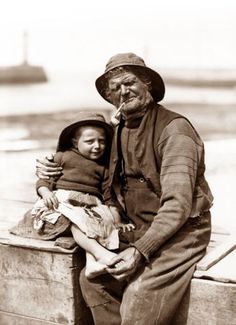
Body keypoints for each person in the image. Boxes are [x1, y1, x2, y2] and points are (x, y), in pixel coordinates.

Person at [36, 53, 213, 325]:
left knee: (138, 305)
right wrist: (48, 169)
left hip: (182, 234)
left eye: (129, 83)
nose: (123, 91)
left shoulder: (175, 131)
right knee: (91, 281)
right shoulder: (118, 131)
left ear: (148, 86)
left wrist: (139, 250)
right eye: (115, 88)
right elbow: (86, 165)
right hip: (136, 227)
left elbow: (178, 205)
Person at [10, 111, 134, 279]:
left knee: (99, 222)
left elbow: (107, 197)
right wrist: (46, 193)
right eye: (89, 141)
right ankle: (102, 255)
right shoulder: (63, 157)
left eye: (102, 141)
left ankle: (92, 264)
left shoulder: (103, 168)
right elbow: (44, 181)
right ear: (75, 142)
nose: (97, 146)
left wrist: (117, 221)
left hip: (88, 207)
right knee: (78, 222)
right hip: (62, 205)